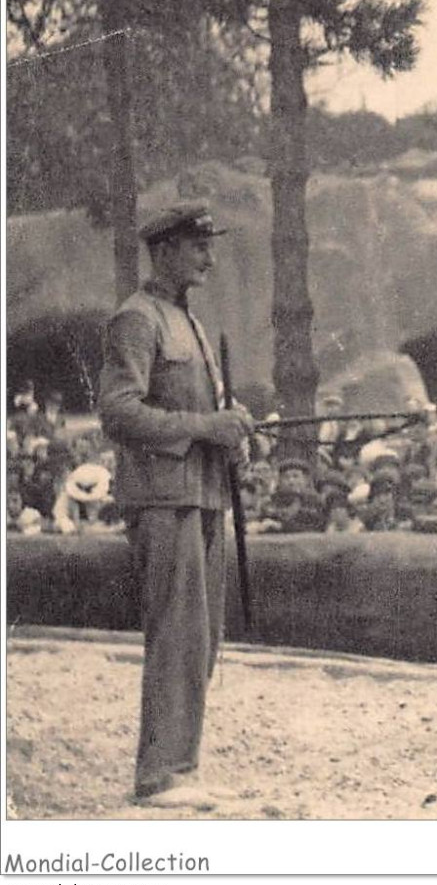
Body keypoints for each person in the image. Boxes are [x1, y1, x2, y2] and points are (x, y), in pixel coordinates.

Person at [98, 202, 255, 808]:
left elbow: (204, 417)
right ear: (164, 251)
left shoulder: (186, 320)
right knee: (176, 632)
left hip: (203, 493)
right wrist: (204, 425)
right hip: (163, 499)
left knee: (201, 634)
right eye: (199, 246)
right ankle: (158, 774)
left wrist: (230, 436)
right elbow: (118, 411)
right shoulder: (137, 320)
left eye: (210, 245)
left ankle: (180, 766)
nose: (210, 257)